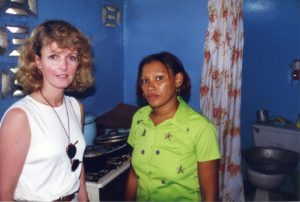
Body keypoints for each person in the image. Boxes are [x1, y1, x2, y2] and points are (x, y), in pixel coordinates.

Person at [0, 20, 94, 201]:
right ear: (38, 62)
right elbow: (4, 194)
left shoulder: (76, 107)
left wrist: (84, 198)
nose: (64, 66)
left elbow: (75, 162)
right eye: (54, 56)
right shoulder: (20, 117)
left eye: (71, 57)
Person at [125, 51, 221, 201]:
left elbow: (210, 196)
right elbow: (133, 174)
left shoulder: (201, 128)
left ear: (178, 80)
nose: (150, 86)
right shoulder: (139, 118)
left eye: (159, 78)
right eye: (145, 80)